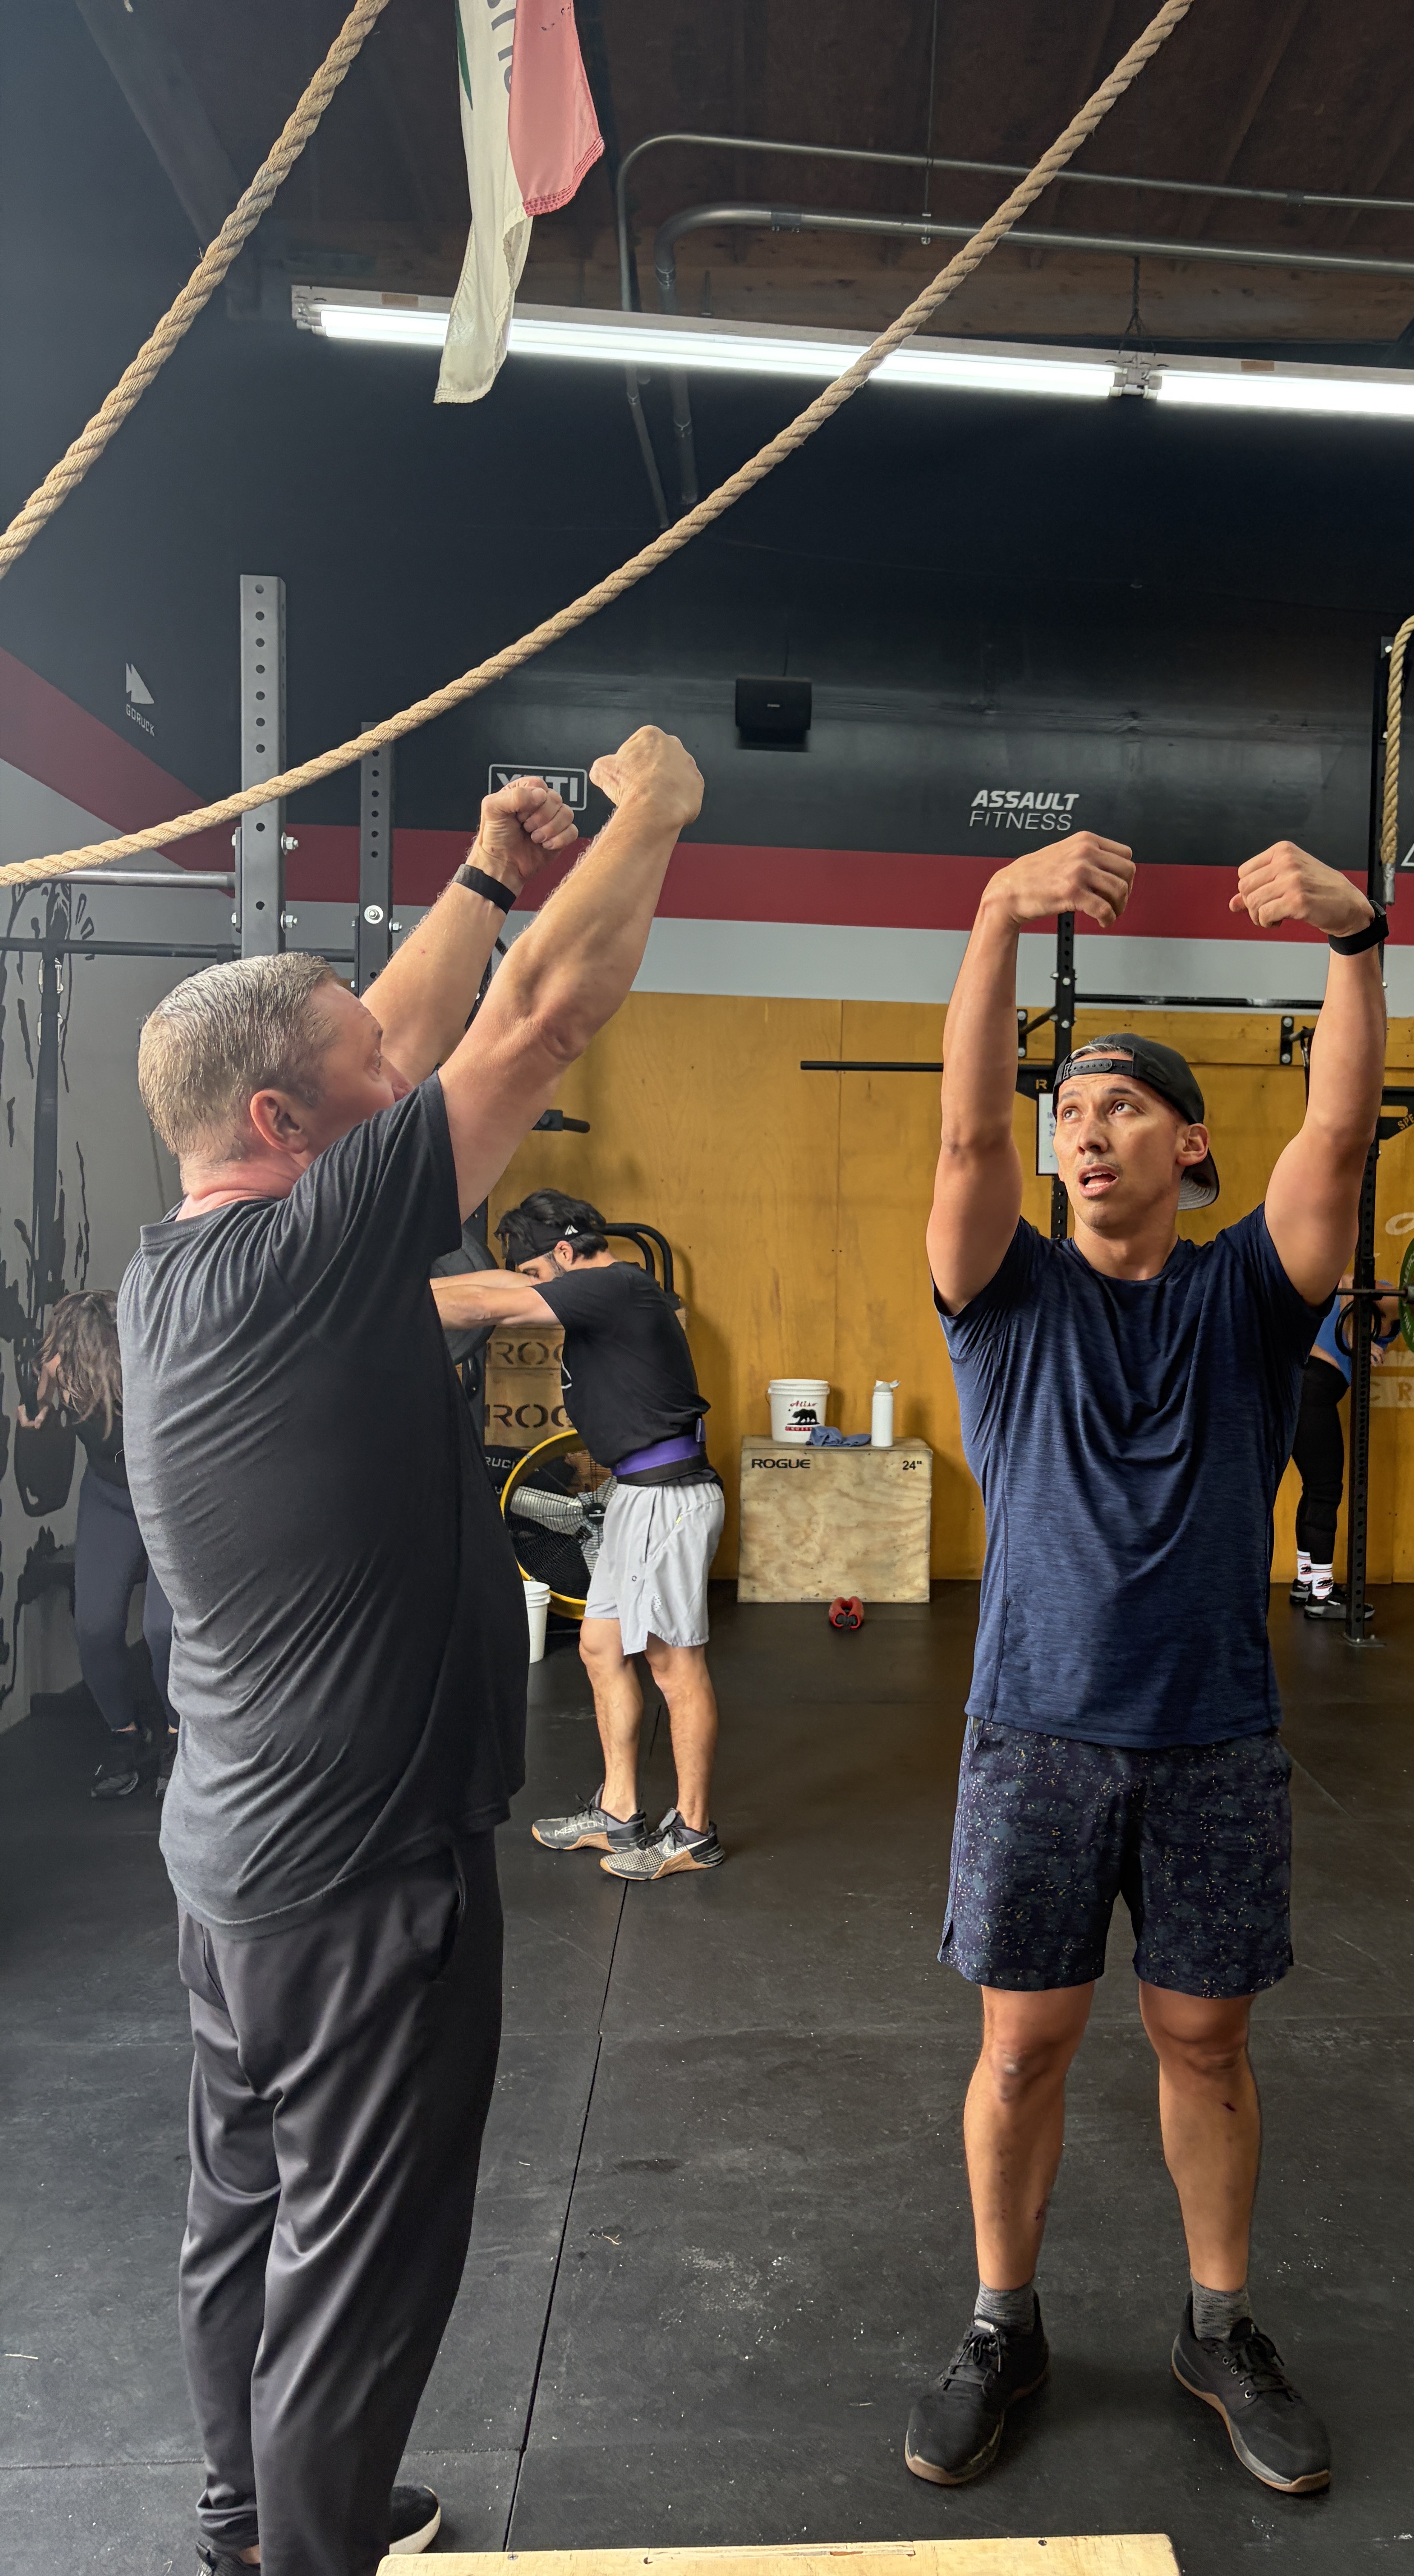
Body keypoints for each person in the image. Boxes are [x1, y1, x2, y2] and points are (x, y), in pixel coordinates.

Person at [119, 729, 704, 2576]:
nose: (401, 1069)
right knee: (355, 2278)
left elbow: (377, 1025)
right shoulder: (310, 1254)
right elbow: (539, 1016)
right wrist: (656, 811)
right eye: (370, 1073)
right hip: (369, 1883)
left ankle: (251, 2526)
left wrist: (483, 874)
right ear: (288, 1128)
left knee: (244, 2219)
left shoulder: (179, 1267)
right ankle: (306, 2553)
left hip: (238, 1871)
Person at [907, 827, 1387, 2498]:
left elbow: (1339, 1131)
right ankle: (1002, 2325)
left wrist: (1358, 940)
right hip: (1034, 1732)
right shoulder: (1000, 1291)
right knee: (1020, 2045)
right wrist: (993, 913)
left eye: (1119, 1106)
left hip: (1211, 1736)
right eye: (1069, 1109)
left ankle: (1217, 2325)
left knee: (1203, 2038)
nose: (1083, 1128)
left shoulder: (1251, 1294)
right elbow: (967, 1127)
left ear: (1190, 1144)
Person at [432, 1187, 726, 1882]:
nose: (532, 1285)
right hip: (633, 1495)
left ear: (565, 1253)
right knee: (600, 1647)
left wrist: (367, 1294)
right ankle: (618, 1812)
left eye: (538, 1272)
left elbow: (493, 1304)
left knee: (672, 1664)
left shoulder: (615, 1286)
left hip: (669, 1498)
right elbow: (500, 1285)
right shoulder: (598, 1291)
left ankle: (694, 1831)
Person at [17, 1288, 175, 1796]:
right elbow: (39, 1395)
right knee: (95, 1626)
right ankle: (125, 1737)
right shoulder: (56, 1364)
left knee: (163, 1629)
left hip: (170, 1495)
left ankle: (179, 1737)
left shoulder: (150, 1360)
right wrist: (38, 1411)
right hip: (109, 1498)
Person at [1289, 1286, 1399, 1620]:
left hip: (1306, 1395)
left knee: (1315, 1490)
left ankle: (1306, 1580)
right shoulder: (1394, 1296)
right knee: (1325, 1492)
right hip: (1310, 1392)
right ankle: (1322, 1596)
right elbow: (1351, 1282)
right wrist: (1355, 1341)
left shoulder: (1409, 1318)